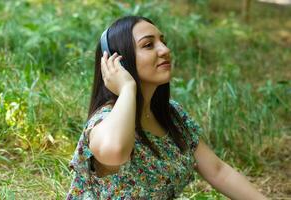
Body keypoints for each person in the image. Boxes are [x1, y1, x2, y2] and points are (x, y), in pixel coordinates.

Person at [66, 16, 267, 200]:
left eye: (163, 42)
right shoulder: (105, 121)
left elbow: (218, 171)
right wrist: (127, 88)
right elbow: (115, 152)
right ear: (117, 61)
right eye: (148, 45)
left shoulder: (170, 114)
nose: (164, 50)